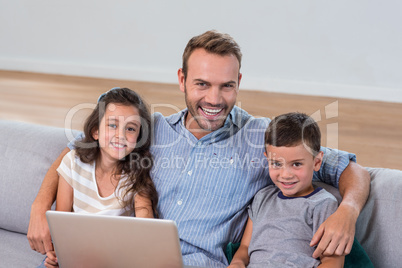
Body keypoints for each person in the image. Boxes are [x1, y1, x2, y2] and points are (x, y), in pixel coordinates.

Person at [28, 30, 370, 268]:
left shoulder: (262, 137)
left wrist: (348, 212)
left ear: (239, 83)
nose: (214, 99)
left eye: (226, 86)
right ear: (181, 80)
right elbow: (78, 150)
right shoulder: (152, 128)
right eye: (202, 84)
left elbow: (350, 170)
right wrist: (39, 210)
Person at [42, 88, 158, 267]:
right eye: (112, 125)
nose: (121, 135)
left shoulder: (137, 175)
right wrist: (56, 256)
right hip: (74, 257)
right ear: (95, 131)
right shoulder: (72, 163)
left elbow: (145, 226)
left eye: (130, 128)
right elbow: (61, 225)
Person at [228, 112, 344, 268]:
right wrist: (236, 263)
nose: (285, 175)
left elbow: (332, 262)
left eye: (296, 164)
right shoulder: (262, 198)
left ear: (316, 162)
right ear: (266, 158)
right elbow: (244, 248)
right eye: (276, 164)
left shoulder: (323, 205)